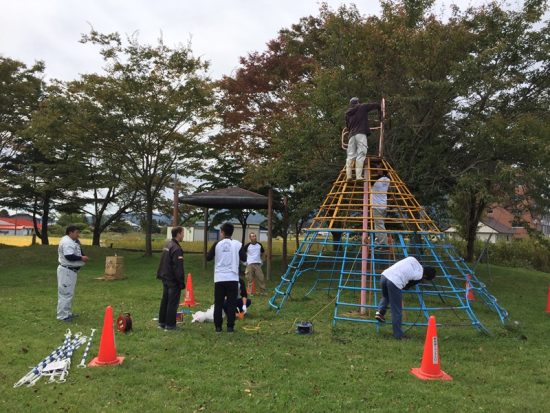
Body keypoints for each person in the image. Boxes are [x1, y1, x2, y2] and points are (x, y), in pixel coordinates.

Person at [375, 256, 436, 339]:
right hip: (394, 282)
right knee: (396, 310)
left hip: (384, 275)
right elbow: (407, 286)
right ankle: (398, 335)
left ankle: (380, 312)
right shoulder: (419, 276)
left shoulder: (412, 259)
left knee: (386, 296)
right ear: (425, 276)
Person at [206, 222, 242, 333]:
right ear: (232, 232)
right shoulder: (237, 244)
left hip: (219, 278)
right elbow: (244, 258)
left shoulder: (217, 244)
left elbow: (208, 258)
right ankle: (230, 327)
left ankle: (218, 327)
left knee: (218, 303)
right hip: (232, 278)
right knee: (232, 303)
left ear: (222, 232)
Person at [344, 97, 382, 181]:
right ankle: (358, 176)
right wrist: (380, 109)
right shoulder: (362, 107)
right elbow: (375, 105)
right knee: (361, 153)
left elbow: (347, 126)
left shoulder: (347, 113)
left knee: (350, 155)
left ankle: (349, 176)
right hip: (360, 133)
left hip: (351, 135)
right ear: (358, 102)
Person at [57, 225, 89, 322]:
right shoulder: (67, 242)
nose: (78, 234)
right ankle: (62, 316)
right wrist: (81, 258)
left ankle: (67, 313)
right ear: (70, 232)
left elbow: (78, 250)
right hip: (67, 270)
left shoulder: (72, 241)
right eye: (76, 232)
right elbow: (68, 256)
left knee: (69, 293)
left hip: (71, 271)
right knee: (65, 293)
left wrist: (82, 255)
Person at [156, 226, 185, 331]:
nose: (183, 235)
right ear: (178, 234)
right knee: (172, 303)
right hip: (173, 280)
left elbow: (163, 262)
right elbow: (178, 268)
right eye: (182, 233)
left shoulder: (167, 245)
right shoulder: (177, 249)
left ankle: (162, 323)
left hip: (165, 277)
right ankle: (170, 325)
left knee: (165, 300)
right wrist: (181, 282)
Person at [371, 167, 391, 248]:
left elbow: (368, 181)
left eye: (379, 169)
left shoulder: (376, 181)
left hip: (377, 206)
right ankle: (379, 241)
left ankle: (383, 243)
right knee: (379, 224)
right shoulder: (388, 180)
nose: (377, 170)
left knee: (379, 225)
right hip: (383, 205)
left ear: (383, 170)